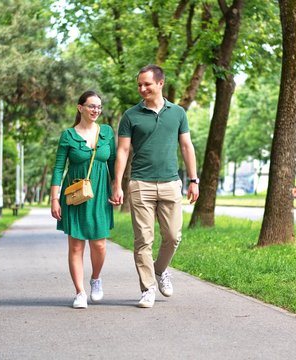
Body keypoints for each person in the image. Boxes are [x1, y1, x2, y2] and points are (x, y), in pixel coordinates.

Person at [110, 64, 199, 308]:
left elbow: (186, 147)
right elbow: (123, 150)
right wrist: (117, 184)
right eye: (139, 84)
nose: (142, 89)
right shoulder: (130, 116)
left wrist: (194, 180)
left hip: (171, 183)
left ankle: (160, 270)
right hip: (140, 183)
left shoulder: (178, 113)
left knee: (172, 236)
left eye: (147, 84)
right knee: (143, 240)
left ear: (160, 83)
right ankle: (148, 288)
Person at [51, 90, 116, 309]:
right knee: (76, 245)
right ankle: (79, 292)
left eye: (99, 107)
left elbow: (114, 163)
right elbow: (59, 167)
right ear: (80, 108)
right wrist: (54, 198)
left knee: (99, 244)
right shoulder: (68, 135)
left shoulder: (106, 132)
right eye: (91, 106)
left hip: (100, 194)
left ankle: (95, 278)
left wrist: (118, 188)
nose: (96, 110)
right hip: (75, 194)